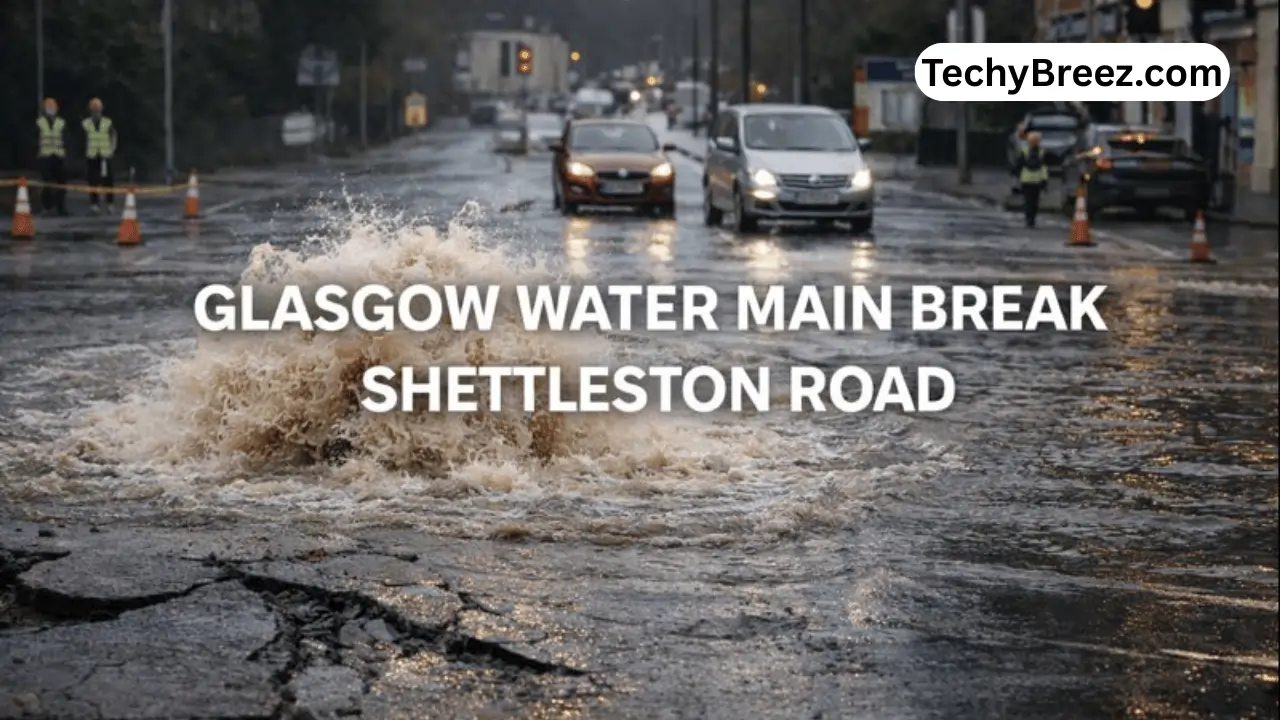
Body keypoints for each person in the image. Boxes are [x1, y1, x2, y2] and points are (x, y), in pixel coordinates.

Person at [82, 97, 118, 214]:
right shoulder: (86, 123)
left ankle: (110, 204)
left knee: (108, 181)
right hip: (92, 156)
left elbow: (114, 136)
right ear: (90, 111)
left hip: (105, 156)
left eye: (97, 110)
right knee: (92, 181)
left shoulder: (107, 122)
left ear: (101, 110)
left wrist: (112, 149)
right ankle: (94, 205)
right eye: (94, 110)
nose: (96, 113)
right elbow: (82, 139)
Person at [36, 97, 68, 216]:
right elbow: (35, 139)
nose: (50, 110)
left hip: (58, 156)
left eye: (52, 107)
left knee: (61, 183)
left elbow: (66, 138)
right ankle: (48, 207)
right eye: (48, 108)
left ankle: (61, 208)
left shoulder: (61, 123)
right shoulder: (40, 123)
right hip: (45, 156)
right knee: (47, 183)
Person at [1014, 131, 1050, 228]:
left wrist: (1017, 177)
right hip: (1037, 180)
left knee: (1027, 200)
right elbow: (1044, 167)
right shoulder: (1042, 152)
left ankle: (1028, 219)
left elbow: (1018, 166)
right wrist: (1045, 180)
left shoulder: (1024, 150)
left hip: (1026, 179)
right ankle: (1032, 219)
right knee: (1035, 201)